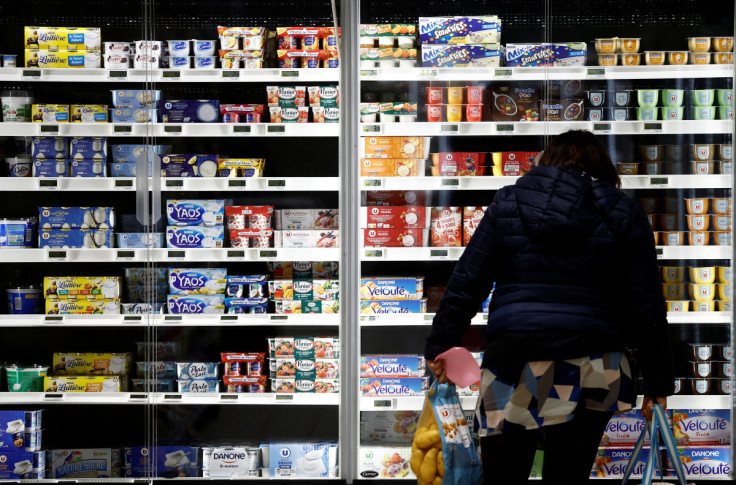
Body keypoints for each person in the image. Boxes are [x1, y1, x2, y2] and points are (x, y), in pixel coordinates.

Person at [424, 130, 675, 484]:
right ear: (604, 167)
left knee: (503, 474)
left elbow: (466, 283)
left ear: (546, 162)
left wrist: (439, 346)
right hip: (596, 364)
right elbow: (647, 306)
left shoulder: (508, 202)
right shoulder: (624, 213)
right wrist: (658, 383)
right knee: (568, 474)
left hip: (516, 361)